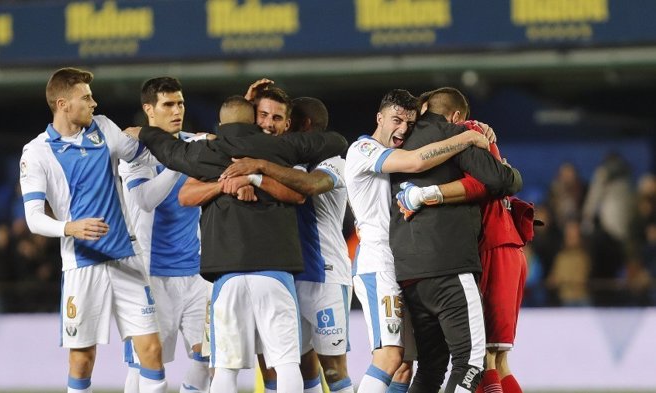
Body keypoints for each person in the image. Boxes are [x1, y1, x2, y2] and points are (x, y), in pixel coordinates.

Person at [123, 92, 348, 393]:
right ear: (254, 120)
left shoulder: (207, 152)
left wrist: (146, 132)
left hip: (225, 274)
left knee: (225, 368)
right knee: (285, 363)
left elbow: (171, 151)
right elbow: (332, 144)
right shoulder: (282, 149)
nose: (268, 123)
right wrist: (237, 180)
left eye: (276, 117)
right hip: (275, 272)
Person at [19, 67, 167, 393]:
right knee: (82, 359)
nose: (94, 103)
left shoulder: (102, 128)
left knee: (152, 351)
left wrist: (176, 139)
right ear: (63, 104)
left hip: (127, 258)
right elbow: (33, 218)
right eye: (85, 98)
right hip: (82, 266)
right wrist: (70, 227)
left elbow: (143, 152)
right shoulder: (37, 151)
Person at [344, 88, 492, 393]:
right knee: (389, 357)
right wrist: (466, 136)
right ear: (379, 117)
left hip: (401, 264)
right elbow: (416, 162)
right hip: (377, 265)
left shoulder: (390, 155)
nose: (402, 129)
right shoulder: (363, 149)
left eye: (409, 124)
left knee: (404, 367)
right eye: (396, 120)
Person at [389, 87, 523, 393]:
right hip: (449, 266)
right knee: (475, 361)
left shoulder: (391, 145)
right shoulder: (456, 135)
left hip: (408, 272)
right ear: (457, 116)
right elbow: (499, 180)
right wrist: (479, 142)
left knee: (432, 367)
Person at [220, 97, 354, 393]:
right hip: (288, 276)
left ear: (300, 124)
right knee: (296, 368)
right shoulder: (286, 160)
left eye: (285, 120)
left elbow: (308, 187)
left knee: (333, 370)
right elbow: (236, 137)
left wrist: (258, 168)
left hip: (326, 275)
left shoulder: (334, 161)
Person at [118, 77, 211, 393]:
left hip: (197, 274)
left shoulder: (194, 142)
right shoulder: (135, 151)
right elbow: (145, 199)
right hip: (150, 276)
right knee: (145, 367)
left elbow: (230, 142)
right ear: (149, 110)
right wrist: (178, 161)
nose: (177, 110)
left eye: (180, 103)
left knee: (209, 359)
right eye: (168, 104)